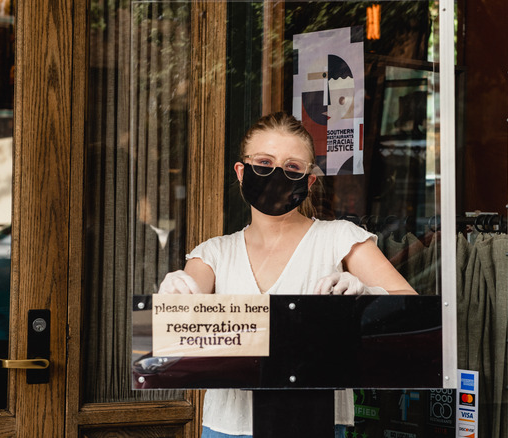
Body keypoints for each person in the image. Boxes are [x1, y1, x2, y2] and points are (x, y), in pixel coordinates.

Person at [158, 111, 416, 438]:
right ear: (242, 171)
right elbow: (176, 334)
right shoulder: (213, 254)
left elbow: (411, 314)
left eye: (292, 167)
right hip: (227, 429)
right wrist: (171, 301)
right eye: (264, 163)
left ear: (309, 181)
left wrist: (367, 295)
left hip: (317, 426)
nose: (276, 174)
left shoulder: (341, 239)